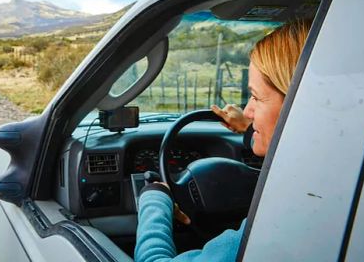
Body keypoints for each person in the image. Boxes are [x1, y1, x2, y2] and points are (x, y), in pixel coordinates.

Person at [134, 20, 312, 262]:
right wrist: (249, 129)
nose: (248, 110)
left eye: (256, 97)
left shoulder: (281, 221)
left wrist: (154, 199)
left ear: (298, 105)